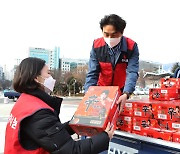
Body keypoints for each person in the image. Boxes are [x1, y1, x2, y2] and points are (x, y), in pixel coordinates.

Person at [4, 57, 114, 154]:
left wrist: (77, 123)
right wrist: (105, 137)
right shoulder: (38, 112)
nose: (52, 78)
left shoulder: (25, 101)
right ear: (36, 79)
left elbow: (51, 135)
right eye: (48, 73)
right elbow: (71, 150)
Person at [84, 14, 139, 110]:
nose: (110, 38)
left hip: (121, 91)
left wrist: (126, 93)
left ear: (121, 32)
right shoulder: (97, 45)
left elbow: (132, 72)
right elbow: (93, 72)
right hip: (101, 91)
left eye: (114, 35)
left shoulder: (131, 46)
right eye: (106, 34)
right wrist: (88, 93)